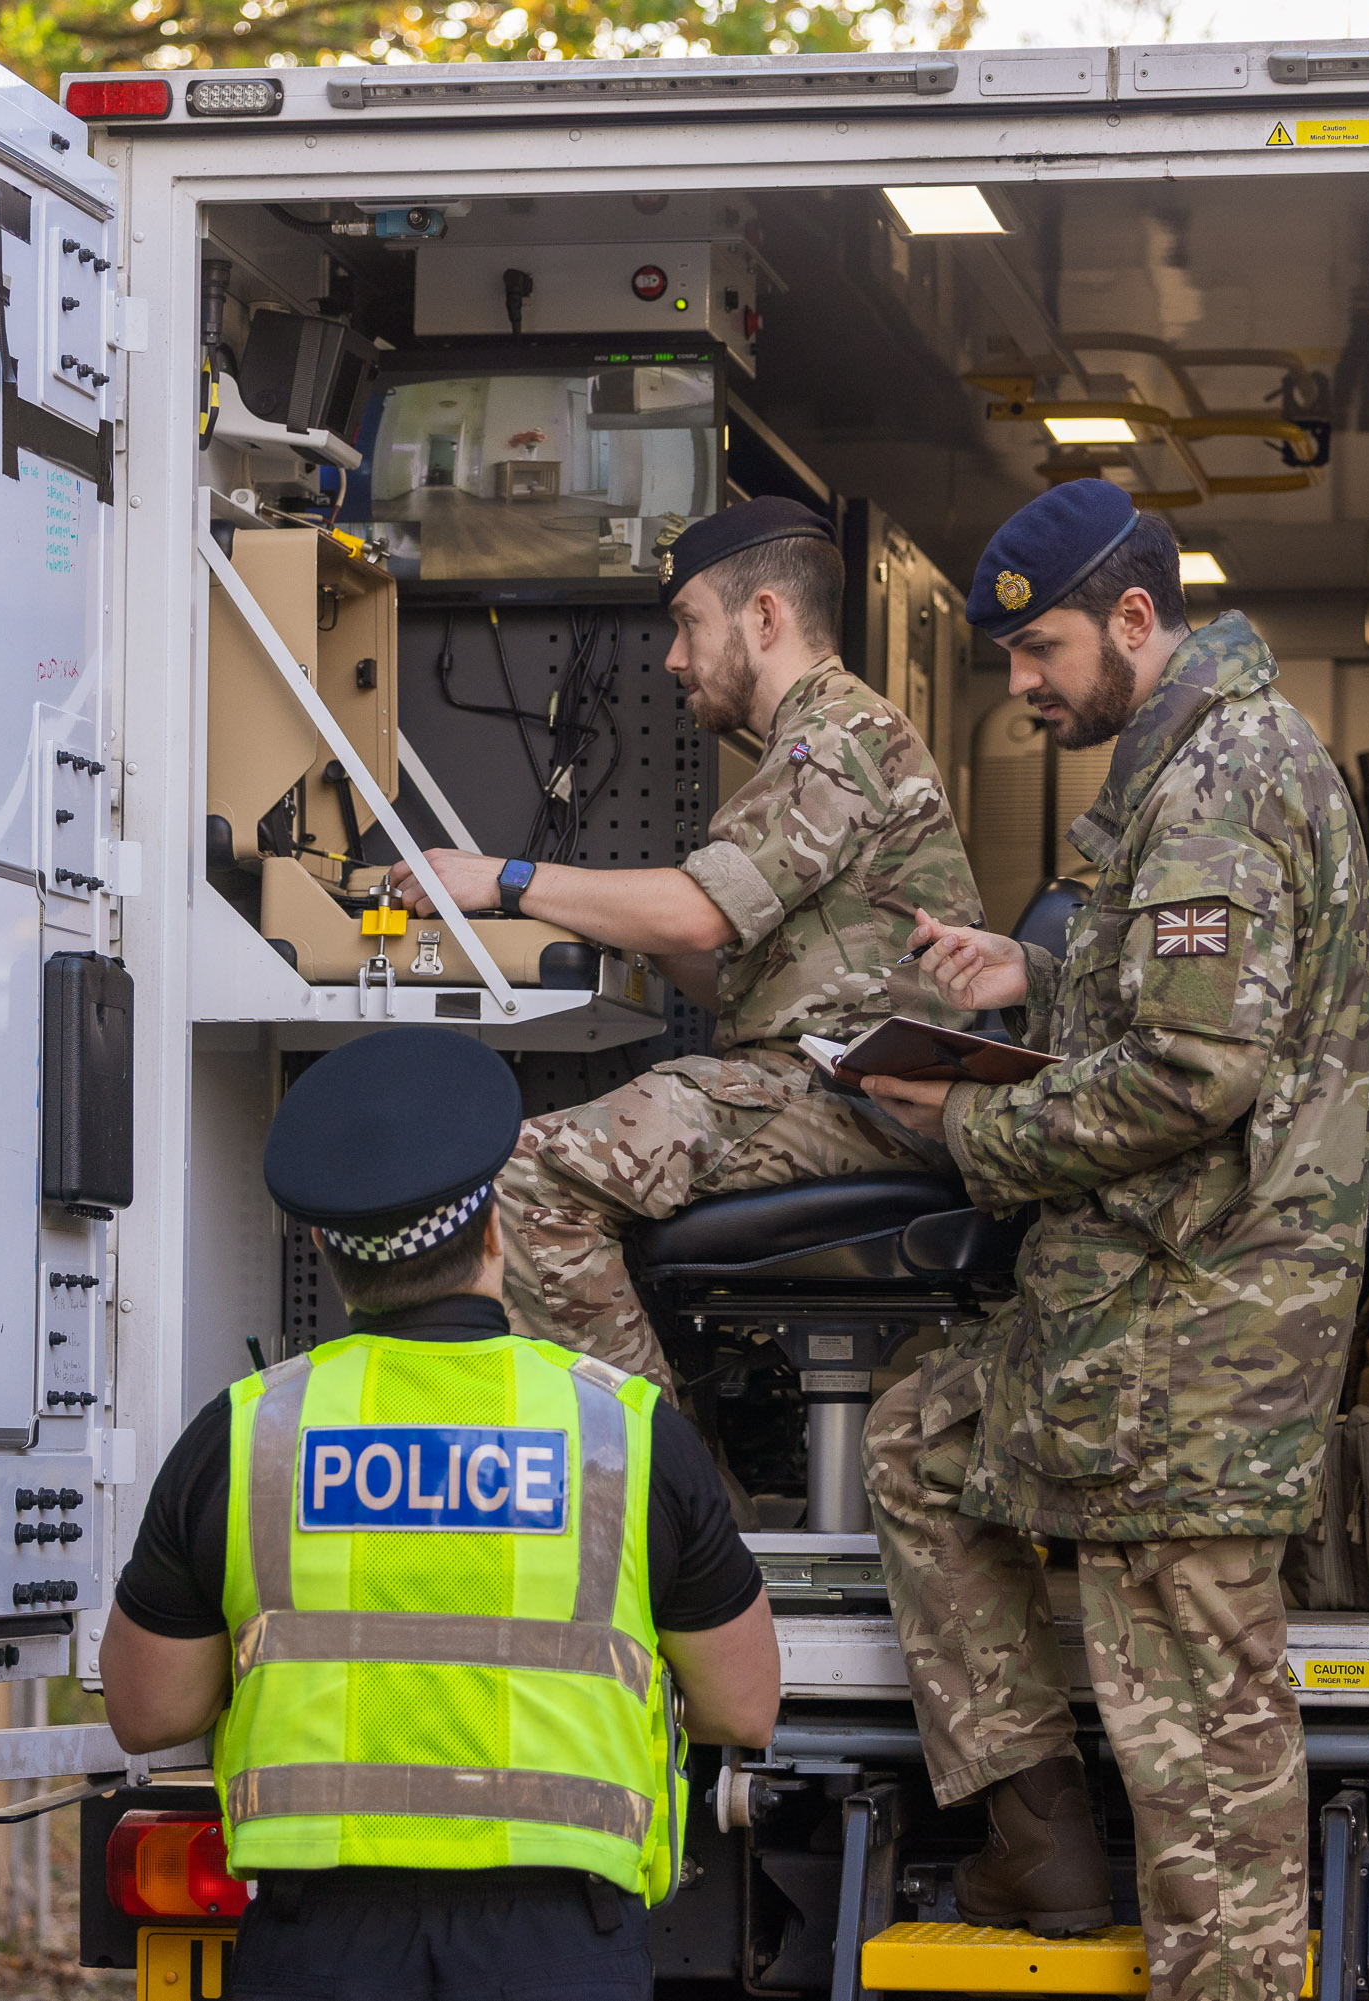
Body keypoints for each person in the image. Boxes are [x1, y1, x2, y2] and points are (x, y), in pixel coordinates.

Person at [851, 483, 1369, 2001]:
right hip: (1131, 1315)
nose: (1022, 686)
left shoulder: (1222, 779)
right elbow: (1173, 1012)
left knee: (1204, 1760)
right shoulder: (1184, 765)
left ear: (1137, 620)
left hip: (1194, 1342)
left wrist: (964, 1130)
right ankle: (1038, 1832)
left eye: (1045, 652)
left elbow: (1194, 1077)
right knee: (919, 1441)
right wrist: (1029, 977)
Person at [100, 1026, 781, 2001]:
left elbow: (150, 1710)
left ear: (333, 1252)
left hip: (316, 1941)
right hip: (557, 1944)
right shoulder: (623, 1432)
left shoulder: (247, 1433)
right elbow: (742, 1704)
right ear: (496, 1229)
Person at [388, 496, 982, 1389]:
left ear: (765, 616)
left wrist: (505, 879)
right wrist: (597, 915)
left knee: (527, 1173)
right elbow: (723, 973)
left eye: (687, 624)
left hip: (856, 1095)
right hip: (830, 1084)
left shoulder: (837, 738)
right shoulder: (819, 741)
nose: (673, 657)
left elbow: (700, 914)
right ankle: (685, 1463)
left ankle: (652, 1476)